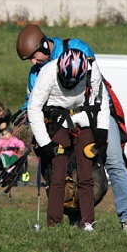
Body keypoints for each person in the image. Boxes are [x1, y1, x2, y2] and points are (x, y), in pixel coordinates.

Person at [16, 24, 127, 230]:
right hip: (62, 120)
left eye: (34, 56)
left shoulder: (77, 47)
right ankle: (75, 216)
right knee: (65, 169)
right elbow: (33, 101)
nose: (33, 62)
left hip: (94, 111)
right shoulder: (37, 72)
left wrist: (100, 131)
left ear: (43, 46)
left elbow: (94, 85)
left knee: (114, 159)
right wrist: (22, 113)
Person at [27, 48, 109, 231]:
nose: (70, 84)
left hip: (84, 120)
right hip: (58, 123)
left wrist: (102, 131)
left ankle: (87, 223)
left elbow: (102, 101)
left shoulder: (92, 69)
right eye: (66, 81)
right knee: (57, 175)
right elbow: (34, 108)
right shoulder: (48, 72)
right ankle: (54, 224)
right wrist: (45, 143)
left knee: (86, 175)